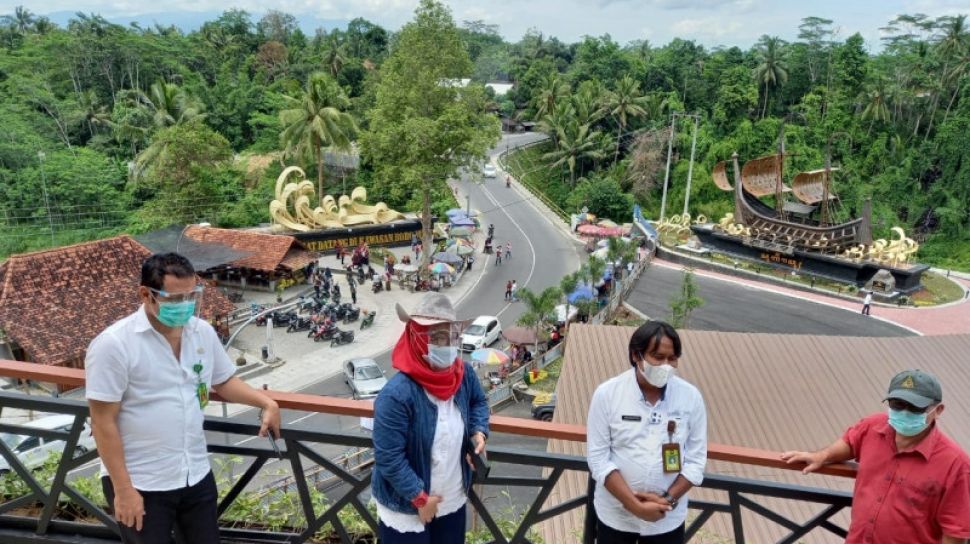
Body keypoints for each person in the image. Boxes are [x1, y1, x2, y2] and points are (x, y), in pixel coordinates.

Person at [85, 253, 281, 544]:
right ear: (146, 294)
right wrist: (124, 490)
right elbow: (103, 422)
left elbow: (224, 381)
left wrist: (266, 402)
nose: (185, 306)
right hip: (142, 480)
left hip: (195, 472)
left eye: (191, 296)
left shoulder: (201, 332)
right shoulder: (114, 345)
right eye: (175, 299)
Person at [781, 369, 970, 544]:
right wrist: (822, 456)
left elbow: (955, 533)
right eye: (897, 404)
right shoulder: (872, 426)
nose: (904, 412)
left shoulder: (955, 464)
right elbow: (850, 442)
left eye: (915, 407)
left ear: (938, 410)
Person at [372, 293, 490, 544]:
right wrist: (420, 499)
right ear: (415, 337)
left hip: (452, 497)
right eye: (436, 338)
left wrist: (478, 431)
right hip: (407, 506)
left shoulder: (463, 374)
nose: (445, 346)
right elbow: (389, 457)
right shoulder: (396, 395)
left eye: (451, 337)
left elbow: (478, 401)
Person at [586, 320, 708, 544]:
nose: (666, 365)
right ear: (636, 355)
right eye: (658, 357)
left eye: (672, 358)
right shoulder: (608, 394)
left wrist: (668, 501)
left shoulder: (691, 397)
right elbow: (598, 458)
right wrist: (634, 505)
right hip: (616, 516)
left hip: (667, 519)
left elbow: (696, 460)